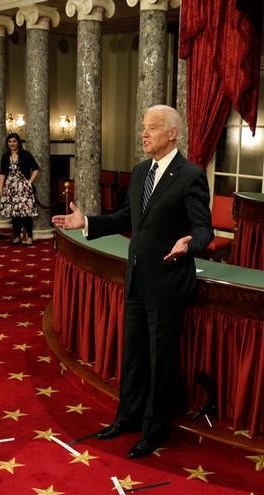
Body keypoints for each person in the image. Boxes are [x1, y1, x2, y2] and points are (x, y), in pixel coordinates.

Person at [52, 104, 213, 459]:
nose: (144, 133)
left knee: (160, 360)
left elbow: (204, 229)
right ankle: (127, 417)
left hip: (168, 282)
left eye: (152, 127)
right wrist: (87, 223)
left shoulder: (190, 176)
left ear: (172, 133)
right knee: (134, 354)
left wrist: (190, 243)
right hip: (137, 279)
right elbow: (127, 217)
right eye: (144, 126)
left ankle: (154, 431)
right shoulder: (141, 172)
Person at [0, 132, 40, 245]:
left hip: (23, 188)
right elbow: (2, 174)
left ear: (18, 142)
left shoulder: (26, 154)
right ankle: (16, 236)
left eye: (14, 141)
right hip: (10, 188)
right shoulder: (5, 156)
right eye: (10, 141)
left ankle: (30, 237)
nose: (12, 143)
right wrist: (0, 190)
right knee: (14, 214)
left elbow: (36, 169)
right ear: (7, 143)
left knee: (26, 213)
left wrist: (29, 182)